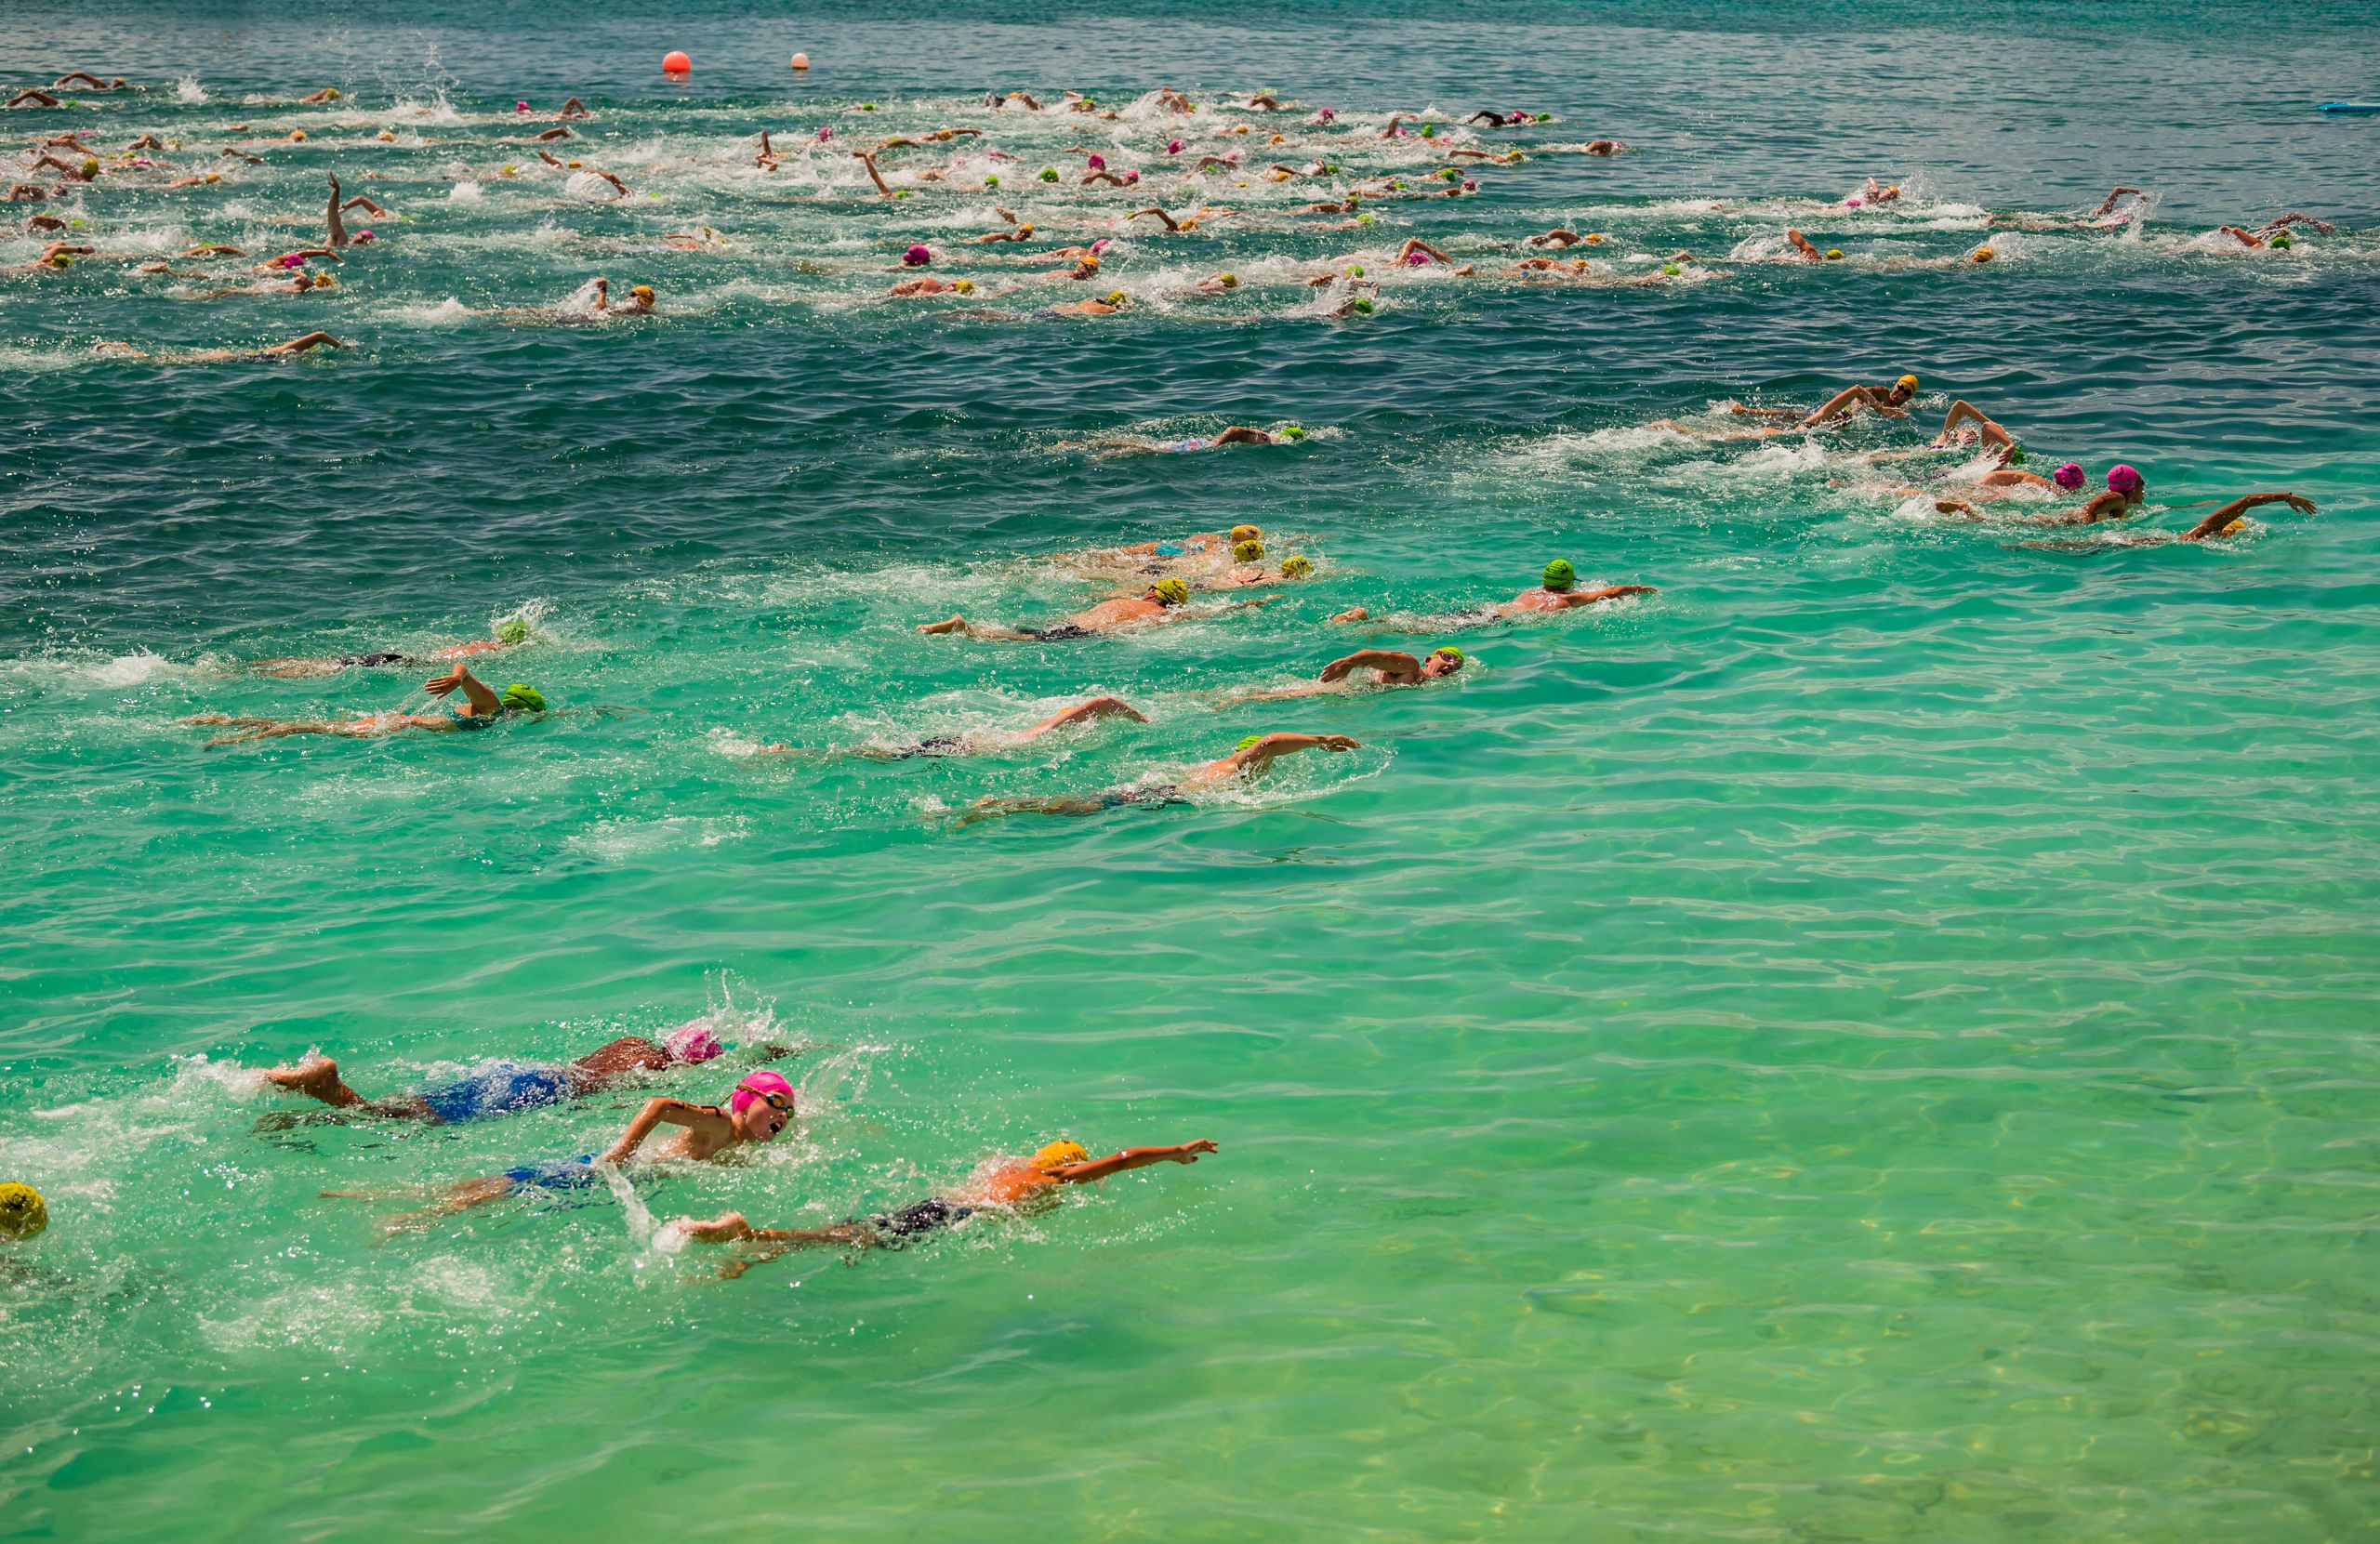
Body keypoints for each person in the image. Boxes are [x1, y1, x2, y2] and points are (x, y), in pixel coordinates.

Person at [323, 1072, 799, 1234]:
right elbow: (658, 1105)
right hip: (607, 1172)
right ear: (744, 1100)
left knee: (506, 1185)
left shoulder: (743, 1138)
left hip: (627, 1179)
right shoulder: (718, 1121)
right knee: (509, 1188)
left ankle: (375, 1194)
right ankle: (404, 1217)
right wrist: (624, 1152)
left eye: (789, 1113)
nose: (783, 1117)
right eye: (776, 1104)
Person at [672, 1138, 1220, 1273]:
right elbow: (1121, 1160)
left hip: (939, 1204)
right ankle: (748, 1234)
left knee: (851, 1235)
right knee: (851, 1238)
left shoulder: (1012, 1166)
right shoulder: (1050, 1177)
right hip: (953, 1217)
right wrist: (1175, 1153)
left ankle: (749, 1255)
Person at [259, 1023, 743, 1127]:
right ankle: (328, 1088)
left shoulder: (631, 1045)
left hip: (525, 1074)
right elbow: (611, 1102)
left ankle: (306, 1116)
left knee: (411, 1108)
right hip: (540, 1092)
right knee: (410, 1122)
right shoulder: (655, 1071)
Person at [958, 732, 1360, 823]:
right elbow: (1272, 741)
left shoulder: (1219, 764)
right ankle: (1002, 808)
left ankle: (1006, 807)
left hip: (1163, 791)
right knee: (1082, 808)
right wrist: (1321, 741)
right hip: (1163, 794)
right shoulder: (1240, 764)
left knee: (1085, 806)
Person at [186, 664, 546, 746]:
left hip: (400, 720)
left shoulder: (487, 713)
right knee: (320, 728)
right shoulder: (495, 709)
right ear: (522, 707)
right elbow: (465, 674)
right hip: (399, 725)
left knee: (318, 723)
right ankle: (236, 739)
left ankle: (223, 721)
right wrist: (459, 680)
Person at [761, 695, 1147, 759]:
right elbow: (1103, 702)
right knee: (882, 756)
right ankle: (796, 756)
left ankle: (798, 755)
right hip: (969, 749)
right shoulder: (1054, 729)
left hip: (968, 743)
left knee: (884, 755)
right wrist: (1144, 720)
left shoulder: (1043, 727)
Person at [919, 577, 1272, 640]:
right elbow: (1211, 613)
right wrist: (1253, 603)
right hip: (1084, 634)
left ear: (1151, 591)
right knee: (1012, 640)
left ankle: (971, 629)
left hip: (1071, 620)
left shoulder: (1122, 600)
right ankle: (966, 629)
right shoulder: (1162, 614)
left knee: (1022, 632)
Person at [242, 618, 533, 679]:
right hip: (401, 662)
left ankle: (259, 666)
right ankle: (265, 675)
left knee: (333, 662)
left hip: (398, 656)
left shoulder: (473, 644)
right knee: (329, 669)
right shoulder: (489, 651)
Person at [1221, 645, 1465, 702]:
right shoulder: (1411, 667)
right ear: (1429, 658)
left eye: (1457, 665)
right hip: (1339, 692)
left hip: (1347, 696)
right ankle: (1232, 699)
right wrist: (1349, 662)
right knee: (1276, 697)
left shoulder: (1423, 685)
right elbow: (1379, 657)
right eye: (1447, 657)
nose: (1451, 665)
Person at [1732, 373, 1918, 427]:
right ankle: (1748, 411)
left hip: (1840, 417)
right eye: (1900, 387)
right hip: (1845, 411)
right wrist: (1855, 411)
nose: (1901, 392)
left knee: (1799, 419)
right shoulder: (1883, 392)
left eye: (1907, 392)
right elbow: (1858, 395)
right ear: (1896, 385)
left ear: (1911, 397)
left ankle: (1748, 414)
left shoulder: (1903, 411)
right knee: (1793, 416)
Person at [92, 331, 345, 363]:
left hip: (241, 358)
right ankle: (127, 350)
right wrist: (344, 348)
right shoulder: (284, 352)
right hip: (240, 358)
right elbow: (320, 334)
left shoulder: (284, 351)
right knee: (170, 361)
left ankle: (127, 350)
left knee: (170, 360)